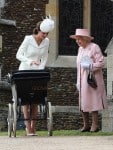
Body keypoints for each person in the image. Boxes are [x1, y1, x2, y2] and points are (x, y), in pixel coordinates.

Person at [16, 16, 54, 136]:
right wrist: (30, 61)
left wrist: (41, 68)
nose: (45, 36)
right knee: (26, 101)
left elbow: (45, 58)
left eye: (47, 34)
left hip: (37, 72)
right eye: (43, 33)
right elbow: (19, 55)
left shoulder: (47, 42)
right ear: (38, 30)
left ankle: (33, 126)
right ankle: (28, 127)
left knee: (36, 99)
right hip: (25, 71)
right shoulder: (28, 39)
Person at [70, 29, 107, 132]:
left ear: (86, 39)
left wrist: (90, 66)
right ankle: (86, 125)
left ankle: (95, 125)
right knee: (83, 102)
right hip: (82, 80)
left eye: (79, 39)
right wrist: (78, 81)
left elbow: (101, 63)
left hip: (92, 79)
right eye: (76, 39)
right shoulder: (80, 49)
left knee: (94, 102)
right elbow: (79, 67)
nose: (77, 41)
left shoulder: (94, 47)